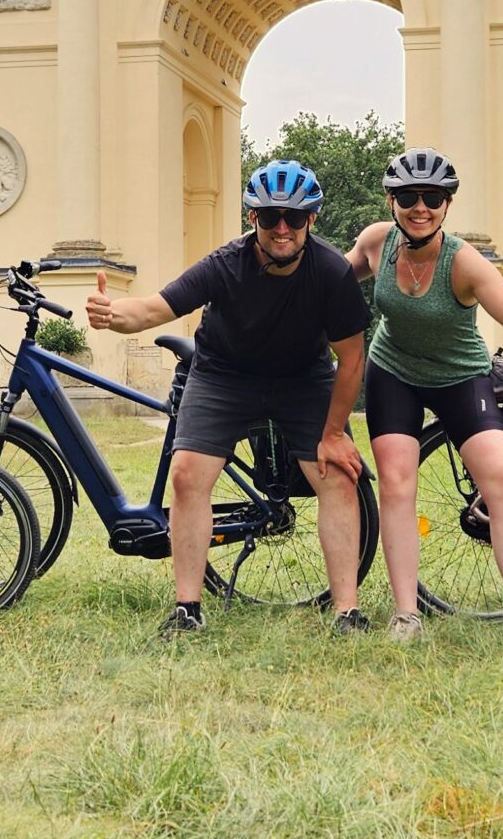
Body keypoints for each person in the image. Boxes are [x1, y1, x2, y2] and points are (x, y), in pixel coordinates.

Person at [86, 159, 371, 637]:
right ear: (251, 219)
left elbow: (352, 358)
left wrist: (334, 432)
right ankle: (187, 608)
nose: (282, 228)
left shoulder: (331, 272)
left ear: (311, 221)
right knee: (188, 475)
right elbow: (156, 307)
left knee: (337, 476)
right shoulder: (225, 263)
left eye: (294, 218)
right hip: (224, 374)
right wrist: (114, 315)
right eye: (269, 217)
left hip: (304, 378)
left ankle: (347, 611)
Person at [346, 148, 503, 662]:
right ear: (391, 200)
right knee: (398, 483)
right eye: (407, 197)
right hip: (393, 371)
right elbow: (330, 279)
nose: (419, 207)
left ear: (447, 204)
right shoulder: (377, 243)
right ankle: (406, 616)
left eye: (432, 197)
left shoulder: (465, 263)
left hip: (459, 375)